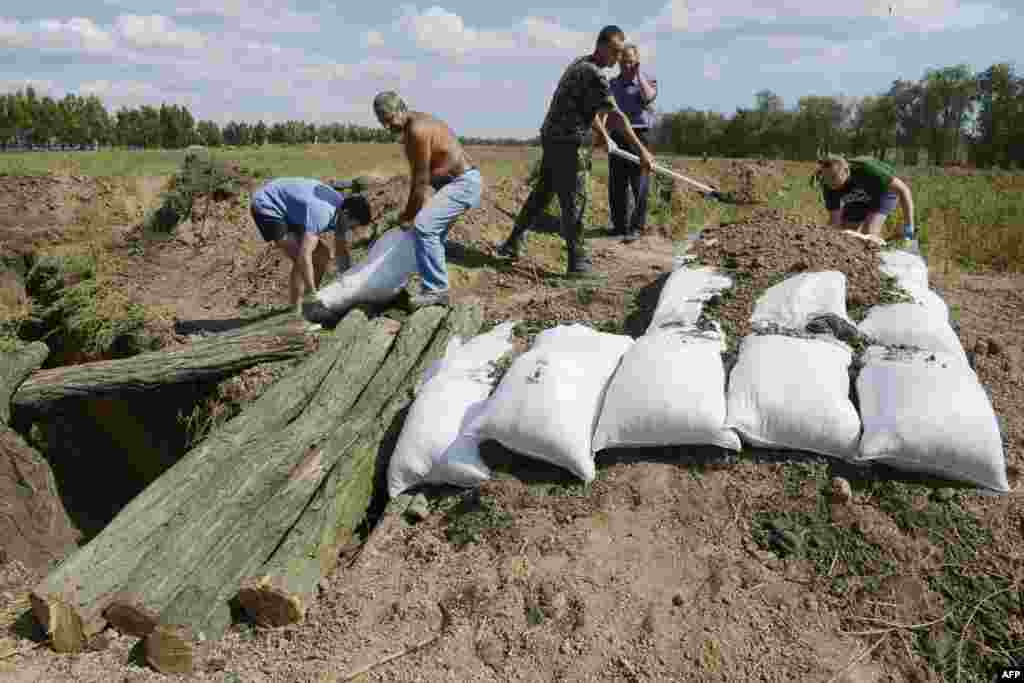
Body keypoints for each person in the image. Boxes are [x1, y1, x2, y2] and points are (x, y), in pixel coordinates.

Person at [498, 25, 655, 276]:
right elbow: (616, 116)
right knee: (576, 200)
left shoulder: (579, 63)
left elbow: (589, 111)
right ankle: (578, 264)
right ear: (601, 46)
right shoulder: (594, 74)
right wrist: (643, 153)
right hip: (569, 142)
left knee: (542, 193)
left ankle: (512, 243)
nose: (616, 60)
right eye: (614, 52)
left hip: (552, 137)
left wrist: (604, 136)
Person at [372, 91, 483, 310]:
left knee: (424, 226)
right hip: (455, 183)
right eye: (382, 122)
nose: (387, 127)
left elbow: (420, 180)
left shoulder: (417, 129)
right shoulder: (412, 126)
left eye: (390, 119)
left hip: (463, 184)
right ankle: (431, 287)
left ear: (401, 109)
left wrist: (408, 216)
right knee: (431, 232)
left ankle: (436, 290)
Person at [249, 177, 372, 314]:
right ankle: (297, 309)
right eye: (353, 226)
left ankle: (308, 302)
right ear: (346, 214)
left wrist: (349, 281)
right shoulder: (322, 213)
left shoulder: (342, 212)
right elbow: (304, 256)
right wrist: (313, 293)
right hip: (268, 204)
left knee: (322, 256)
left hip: (291, 208)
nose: (351, 229)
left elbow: (341, 251)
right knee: (301, 258)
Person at [608, 43, 657, 243]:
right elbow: (607, 111)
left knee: (639, 182)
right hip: (618, 136)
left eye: (630, 61)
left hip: (640, 135)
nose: (626, 64)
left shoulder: (647, 82)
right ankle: (619, 226)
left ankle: (637, 227)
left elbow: (648, 97)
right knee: (617, 182)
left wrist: (638, 75)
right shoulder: (612, 84)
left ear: (636, 61)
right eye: (623, 61)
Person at [814, 155, 915, 242]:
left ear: (846, 170)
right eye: (826, 178)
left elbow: (903, 190)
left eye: (834, 177)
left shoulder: (867, 170)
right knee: (846, 235)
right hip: (857, 195)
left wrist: (909, 225)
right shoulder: (827, 184)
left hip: (882, 192)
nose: (830, 183)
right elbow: (834, 220)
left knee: (868, 233)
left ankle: (876, 252)